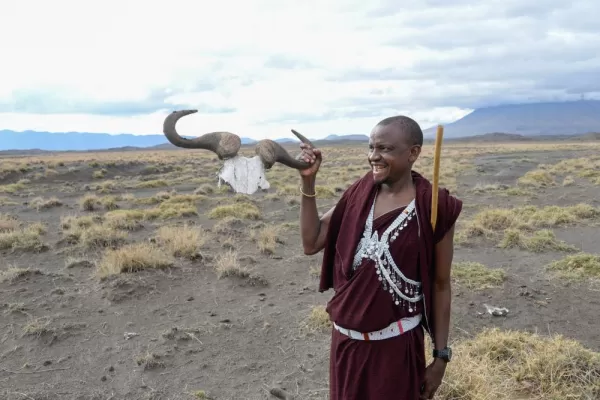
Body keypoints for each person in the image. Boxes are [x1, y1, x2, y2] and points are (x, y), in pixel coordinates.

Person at [297, 115, 463, 399]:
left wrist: (441, 357)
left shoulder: (434, 207)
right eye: (371, 147)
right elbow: (311, 242)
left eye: (384, 149)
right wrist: (308, 183)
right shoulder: (359, 193)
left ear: (413, 153)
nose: (374, 156)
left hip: (396, 350)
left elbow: (441, 284)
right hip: (345, 347)